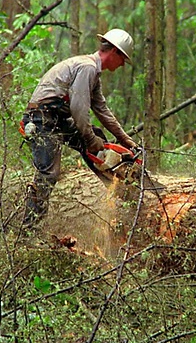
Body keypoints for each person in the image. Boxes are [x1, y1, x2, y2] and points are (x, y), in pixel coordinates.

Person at [20, 28, 138, 227]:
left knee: (99, 137)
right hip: (41, 120)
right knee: (48, 173)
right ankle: (29, 230)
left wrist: (125, 139)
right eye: (122, 59)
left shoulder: (93, 73)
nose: (122, 65)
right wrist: (90, 140)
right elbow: (78, 109)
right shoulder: (87, 68)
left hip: (55, 118)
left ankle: (114, 187)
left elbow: (102, 110)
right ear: (115, 52)